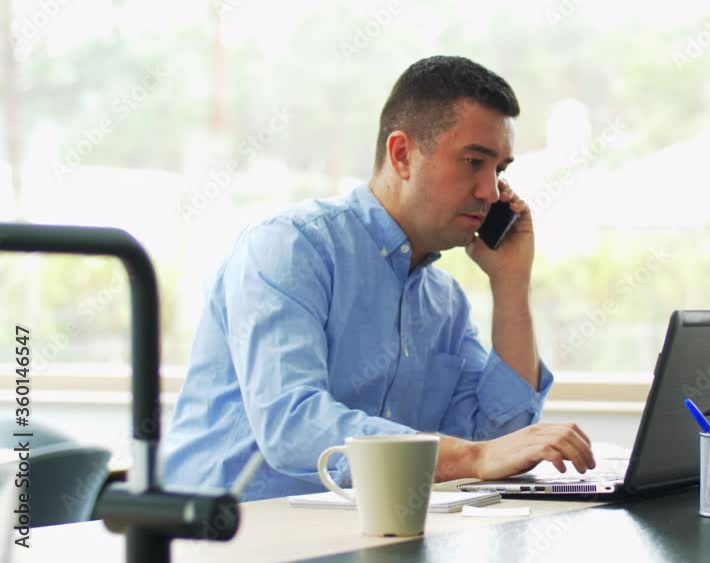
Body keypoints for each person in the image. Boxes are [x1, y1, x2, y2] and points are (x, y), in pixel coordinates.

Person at [162, 55, 596, 501]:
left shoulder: (443, 301)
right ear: (402, 155)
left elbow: (497, 440)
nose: (490, 192)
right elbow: (292, 426)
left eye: (499, 171)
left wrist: (510, 285)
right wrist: (471, 458)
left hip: (354, 533)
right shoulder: (289, 249)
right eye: (473, 162)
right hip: (226, 536)